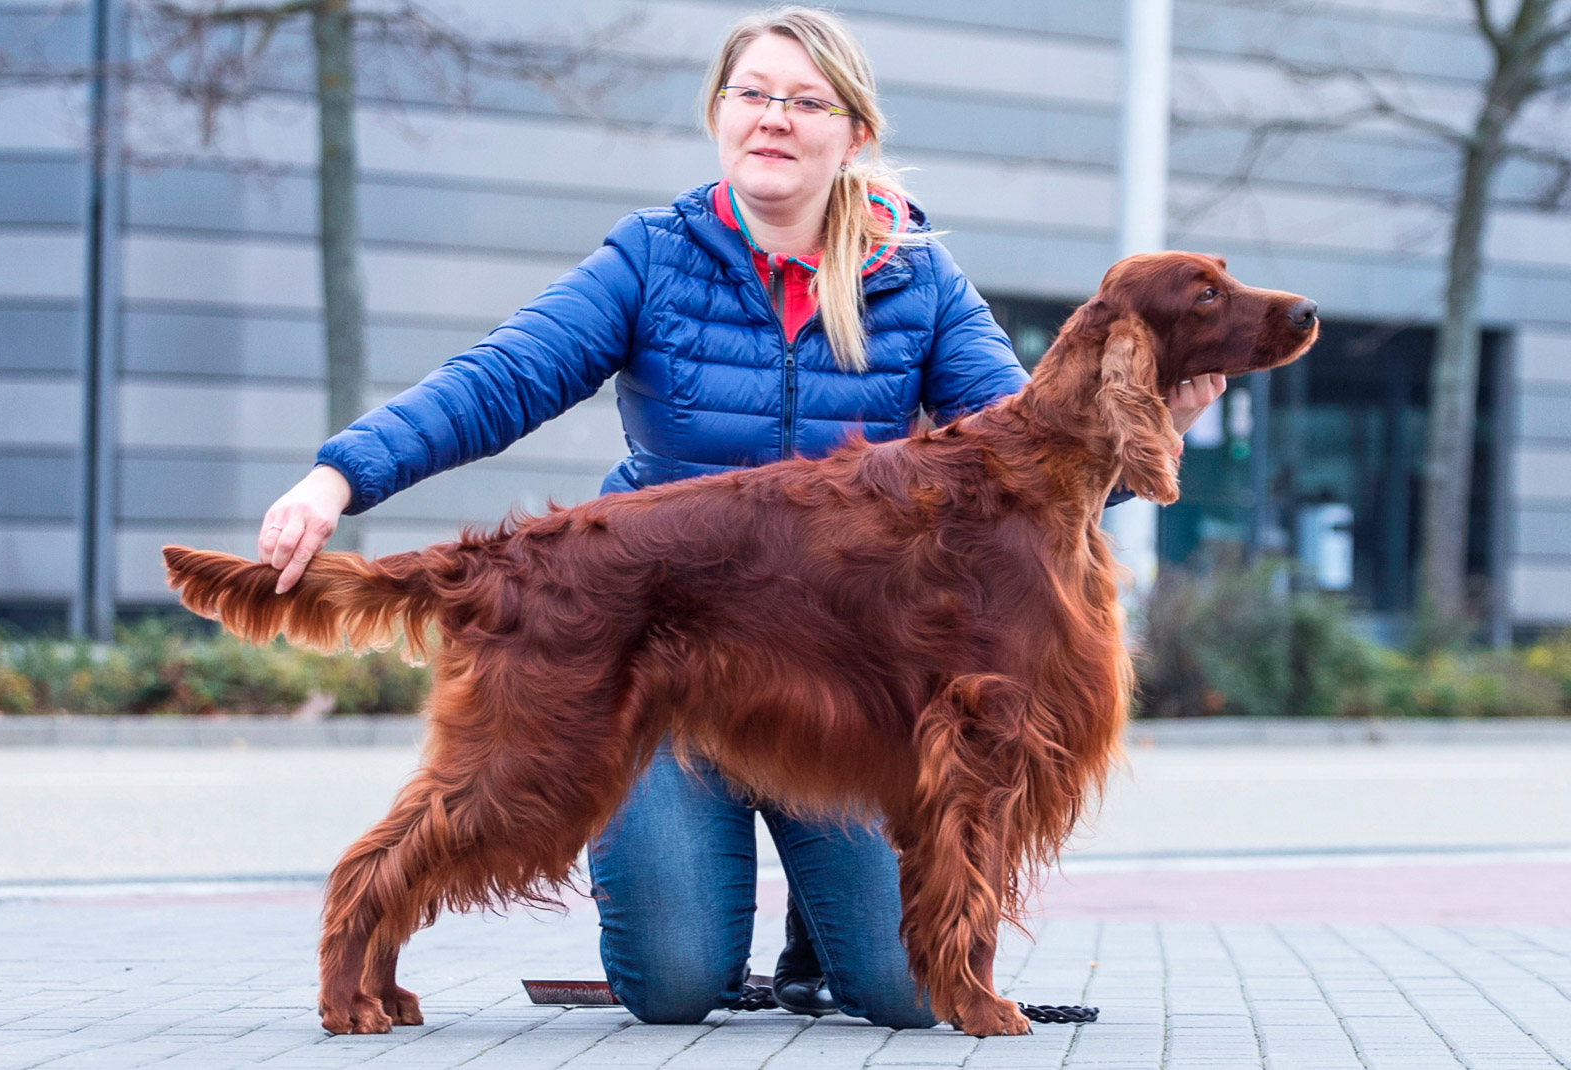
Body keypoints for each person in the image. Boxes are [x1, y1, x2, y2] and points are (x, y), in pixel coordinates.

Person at [256, 5, 1226, 1029]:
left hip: (845, 686)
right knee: (671, 978)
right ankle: (365, 925)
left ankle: (822, 919)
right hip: (653, 629)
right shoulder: (654, 256)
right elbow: (502, 378)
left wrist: (1147, 424)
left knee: (906, 991)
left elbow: (1029, 460)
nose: (774, 117)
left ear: (853, 133)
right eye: (752, 95)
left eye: (805, 101)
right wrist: (338, 479)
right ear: (719, 115)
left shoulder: (915, 274)